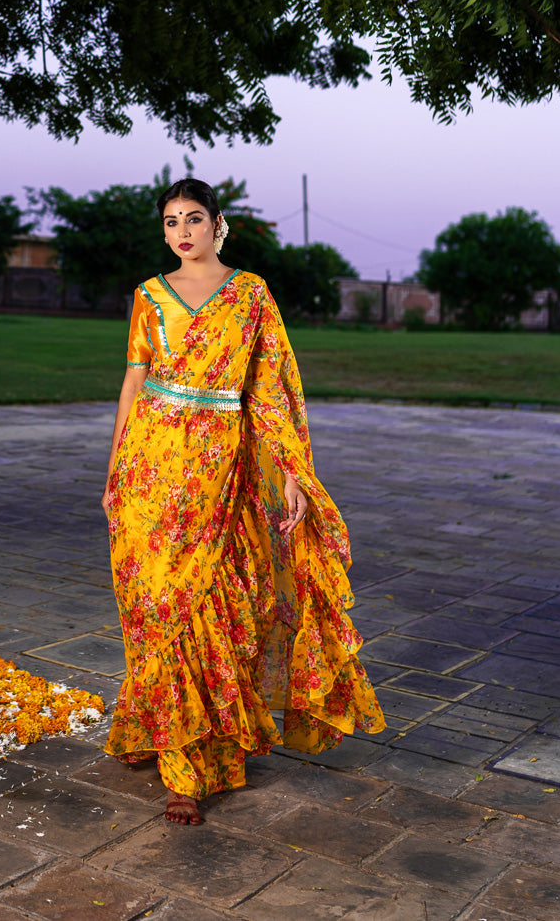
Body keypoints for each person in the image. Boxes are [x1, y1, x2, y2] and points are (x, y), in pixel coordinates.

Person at [101, 177, 385, 825]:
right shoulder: (148, 296)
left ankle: (198, 761)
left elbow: (271, 391)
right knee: (153, 607)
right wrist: (115, 468)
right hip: (152, 465)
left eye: (193, 218)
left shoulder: (251, 294)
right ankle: (162, 734)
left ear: (217, 223)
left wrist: (290, 471)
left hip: (221, 470)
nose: (181, 232)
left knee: (216, 606)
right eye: (171, 221)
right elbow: (133, 383)